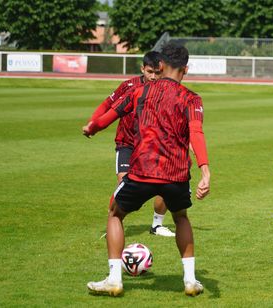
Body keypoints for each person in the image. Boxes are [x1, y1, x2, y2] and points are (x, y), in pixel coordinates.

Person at [83, 42, 210, 297]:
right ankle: (189, 280)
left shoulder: (139, 91)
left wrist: (92, 128)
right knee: (181, 217)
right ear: (186, 68)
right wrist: (205, 171)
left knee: (115, 214)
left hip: (141, 170)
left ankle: (115, 279)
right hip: (175, 174)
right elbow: (196, 133)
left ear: (160, 65)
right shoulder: (191, 98)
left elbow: (110, 115)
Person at [85, 51, 175, 238]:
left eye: (157, 72)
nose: (153, 76)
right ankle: (114, 222)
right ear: (142, 69)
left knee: (166, 183)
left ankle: (157, 225)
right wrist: (92, 123)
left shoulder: (167, 90)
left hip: (152, 146)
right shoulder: (128, 86)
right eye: (150, 71)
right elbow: (106, 106)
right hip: (127, 144)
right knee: (124, 184)